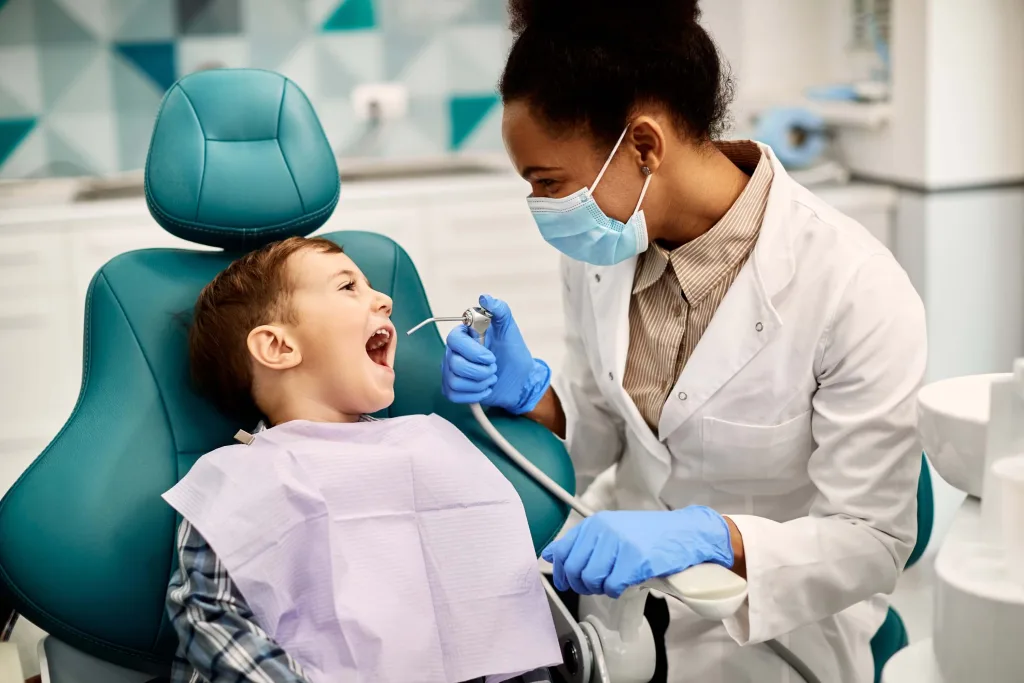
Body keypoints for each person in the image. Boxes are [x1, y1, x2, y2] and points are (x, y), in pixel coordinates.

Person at [439, 1, 927, 681]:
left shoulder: (854, 287)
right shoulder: (602, 249)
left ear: (643, 145)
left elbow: (874, 544)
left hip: (766, 632)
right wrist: (534, 399)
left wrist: (709, 536)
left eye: (548, 183)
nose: (543, 208)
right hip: (616, 601)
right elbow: (601, 431)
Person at [165, 236, 558, 683]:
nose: (385, 300)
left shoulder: (427, 447)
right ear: (277, 347)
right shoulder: (242, 478)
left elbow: (501, 606)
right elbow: (209, 617)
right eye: (348, 286)